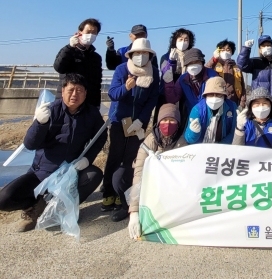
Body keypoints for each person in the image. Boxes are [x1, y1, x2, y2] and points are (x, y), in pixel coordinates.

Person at [0, 74, 107, 232]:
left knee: (94, 175)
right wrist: (39, 123)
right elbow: (30, 144)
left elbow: (101, 136)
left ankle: (64, 209)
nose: (74, 94)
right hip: (41, 173)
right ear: (63, 91)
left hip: (70, 172)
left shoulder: (91, 114)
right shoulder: (50, 110)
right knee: (4, 199)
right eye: (71, 90)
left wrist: (87, 159)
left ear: (85, 93)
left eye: (79, 90)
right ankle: (34, 208)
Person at [103, 38, 159, 216]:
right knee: (115, 157)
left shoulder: (153, 73)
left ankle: (123, 194)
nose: (141, 56)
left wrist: (142, 120)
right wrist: (126, 88)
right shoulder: (122, 69)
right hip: (120, 120)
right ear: (131, 54)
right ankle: (108, 193)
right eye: (137, 53)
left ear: (149, 56)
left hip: (138, 124)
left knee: (132, 158)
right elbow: (113, 94)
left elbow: (152, 99)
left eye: (144, 53)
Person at [119, 103, 188, 228]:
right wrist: (134, 212)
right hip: (149, 182)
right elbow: (139, 172)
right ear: (158, 122)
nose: (168, 124)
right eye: (164, 120)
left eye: (172, 120)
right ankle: (128, 207)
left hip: (169, 185)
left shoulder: (182, 141)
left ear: (178, 123)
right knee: (120, 177)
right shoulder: (150, 141)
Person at [53, 18, 103, 108]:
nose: (90, 35)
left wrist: (96, 104)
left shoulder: (96, 57)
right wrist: (69, 47)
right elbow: (59, 67)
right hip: (68, 101)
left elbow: (97, 83)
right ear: (80, 32)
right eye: (88, 32)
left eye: (94, 32)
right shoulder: (68, 51)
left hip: (88, 103)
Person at [164, 48, 219, 119]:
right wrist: (168, 83)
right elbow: (173, 99)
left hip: (210, 116)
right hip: (192, 115)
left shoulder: (212, 76)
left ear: (202, 63)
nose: (194, 65)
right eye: (190, 63)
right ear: (186, 65)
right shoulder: (183, 79)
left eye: (197, 62)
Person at [185, 76, 237, 144]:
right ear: (205, 96)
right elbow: (189, 139)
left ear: (224, 96)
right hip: (201, 148)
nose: (214, 98)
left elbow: (233, 132)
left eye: (218, 95)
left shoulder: (232, 107)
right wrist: (193, 132)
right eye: (211, 95)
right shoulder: (197, 110)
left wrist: (220, 147)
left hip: (222, 148)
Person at [206, 39, 246, 108]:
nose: (225, 51)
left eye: (228, 50)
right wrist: (213, 59)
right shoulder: (214, 64)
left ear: (232, 52)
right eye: (222, 50)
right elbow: (205, 70)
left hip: (234, 103)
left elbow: (242, 87)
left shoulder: (237, 67)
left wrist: (242, 104)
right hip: (217, 101)